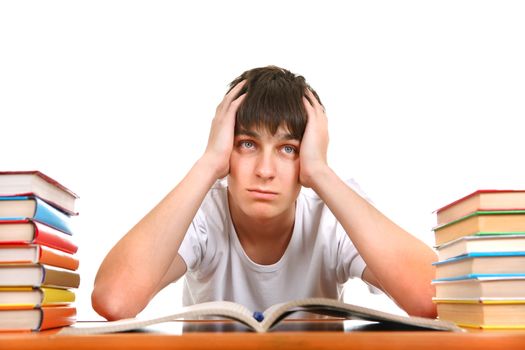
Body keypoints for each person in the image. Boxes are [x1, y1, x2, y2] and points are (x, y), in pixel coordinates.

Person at [91, 66, 438, 321]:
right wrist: (209, 162)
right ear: (227, 150)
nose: (265, 170)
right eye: (247, 144)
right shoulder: (204, 211)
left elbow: (434, 296)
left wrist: (320, 173)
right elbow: (114, 301)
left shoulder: (331, 213)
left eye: (287, 149)